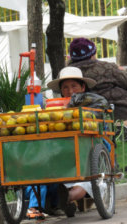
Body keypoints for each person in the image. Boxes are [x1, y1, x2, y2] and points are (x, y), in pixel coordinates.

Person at [47, 66, 105, 216]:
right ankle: (65, 200)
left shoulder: (92, 101)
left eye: (74, 86)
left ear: (83, 87)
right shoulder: (56, 107)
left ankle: (69, 197)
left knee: (86, 178)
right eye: (65, 87)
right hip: (65, 154)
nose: (70, 90)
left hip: (90, 153)